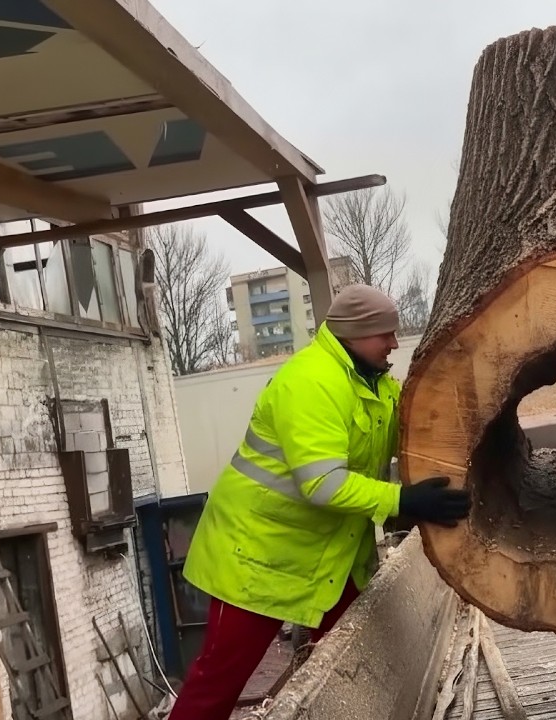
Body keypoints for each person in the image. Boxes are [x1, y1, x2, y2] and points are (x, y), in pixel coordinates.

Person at [168, 284, 470, 719]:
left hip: (326, 552)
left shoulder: (376, 384)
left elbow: (411, 431)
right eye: (384, 333)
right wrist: (403, 500)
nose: (393, 343)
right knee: (219, 681)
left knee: (353, 657)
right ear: (352, 335)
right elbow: (324, 485)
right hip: (257, 557)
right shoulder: (311, 382)